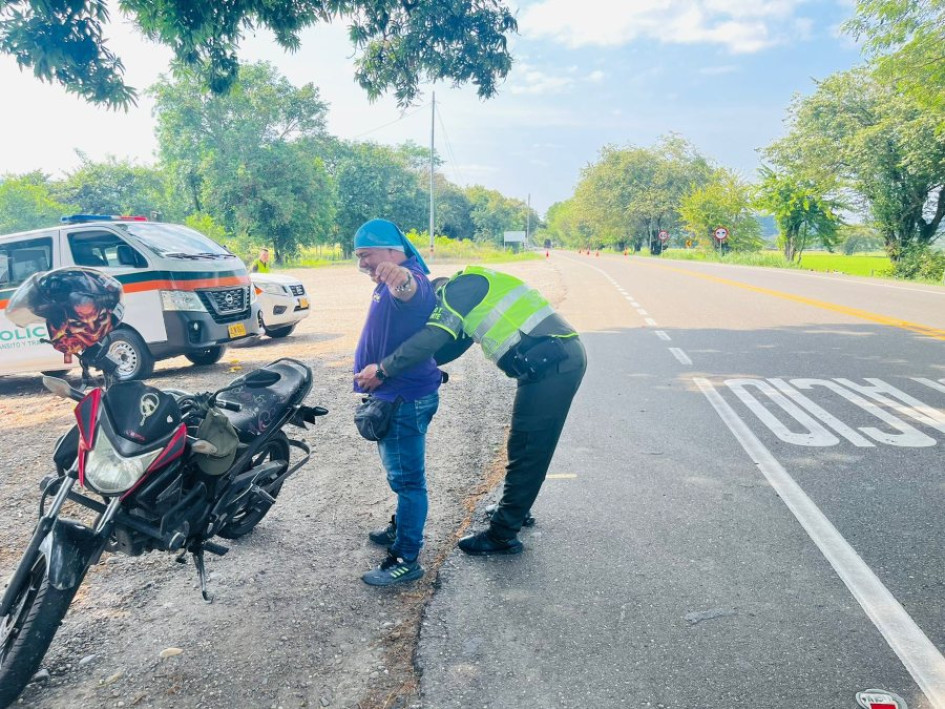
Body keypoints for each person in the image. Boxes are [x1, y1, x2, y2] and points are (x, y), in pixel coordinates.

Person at [355, 266, 586, 556]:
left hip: (554, 364)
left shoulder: (459, 289)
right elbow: (447, 348)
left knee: (528, 447)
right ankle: (515, 508)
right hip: (547, 361)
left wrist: (386, 369)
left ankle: (503, 534)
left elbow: (434, 337)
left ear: (437, 297)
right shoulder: (469, 296)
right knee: (523, 446)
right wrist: (412, 371)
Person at [353, 219, 442, 586]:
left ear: (392, 250)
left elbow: (412, 292)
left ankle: (406, 558)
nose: (362, 264)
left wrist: (398, 278)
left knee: (408, 482)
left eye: (366, 255)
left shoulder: (410, 277)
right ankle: (400, 527)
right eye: (358, 256)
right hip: (397, 396)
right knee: (401, 477)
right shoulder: (386, 278)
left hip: (403, 398)